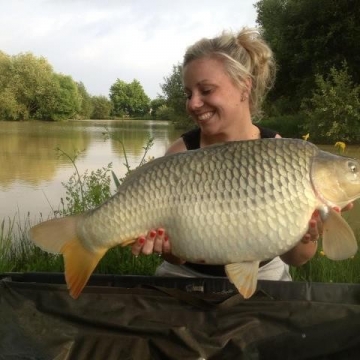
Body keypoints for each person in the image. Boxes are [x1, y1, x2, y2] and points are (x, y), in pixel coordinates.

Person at [131, 27, 352, 281]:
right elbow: (176, 256)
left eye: (206, 90)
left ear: (244, 87)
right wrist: (168, 251)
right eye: (188, 93)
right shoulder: (181, 152)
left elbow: (298, 259)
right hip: (186, 273)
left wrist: (306, 235)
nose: (192, 103)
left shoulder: (282, 153)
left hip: (263, 271)